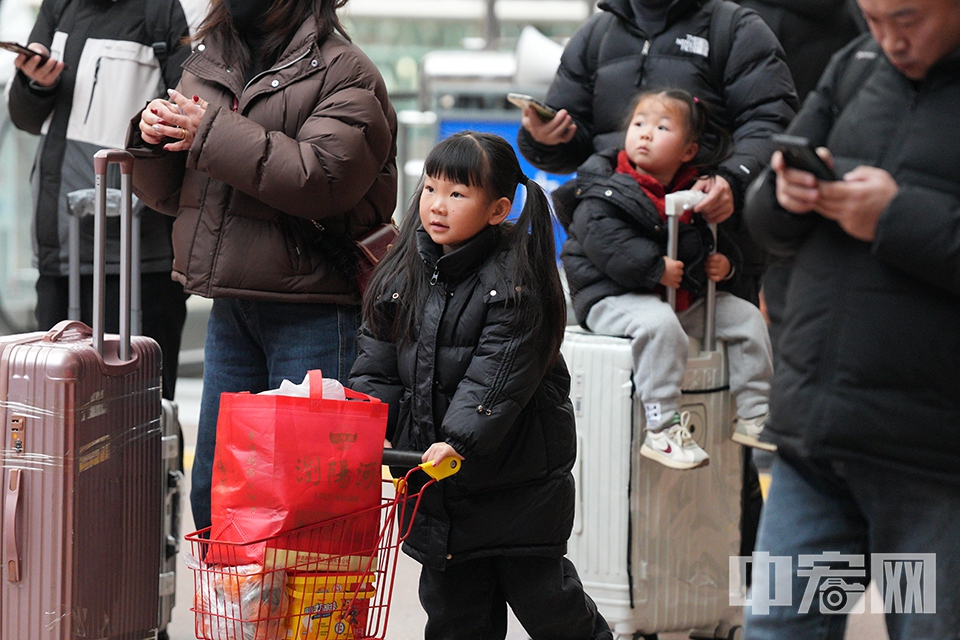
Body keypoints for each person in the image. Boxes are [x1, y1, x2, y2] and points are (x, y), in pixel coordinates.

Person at [127, 0, 397, 533]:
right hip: (233, 308)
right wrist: (152, 141)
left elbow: (320, 178)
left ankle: (308, 621)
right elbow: (180, 197)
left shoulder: (348, 71)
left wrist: (208, 133)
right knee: (216, 494)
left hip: (316, 313)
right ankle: (233, 615)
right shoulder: (209, 61)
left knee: (307, 506)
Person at [742, 0, 960, 636]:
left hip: (931, 463)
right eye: (872, 16)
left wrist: (897, 218)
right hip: (816, 447)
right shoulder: (858, 61)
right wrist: (783, 197)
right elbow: (766, 219)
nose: (890, 37)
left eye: (907, 18)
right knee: (780, 628)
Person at [349, 132, 612, 640]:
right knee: (454, 617)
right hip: (438, 487)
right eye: (429, 189)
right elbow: (376, 364)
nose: (436, 206)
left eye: (457, 193)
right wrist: (371, 423)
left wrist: (459, 439)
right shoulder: (403, 271)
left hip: (516, 486)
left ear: (498, 209)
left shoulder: (517, 279)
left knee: (549, 607)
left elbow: (497, 377)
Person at [517, 0, 797, 306]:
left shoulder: (735, 27)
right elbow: (574, 141)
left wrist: (732, 180)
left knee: (732, 344)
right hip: (613, 251)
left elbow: (771, 123)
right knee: (621, 353)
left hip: (708, 251)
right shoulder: (597, 33)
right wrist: (545, 138)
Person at [563, 89, 774, 470]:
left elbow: (709, 241)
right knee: (661, 328)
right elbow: (604, 242)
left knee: (746, 318)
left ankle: (754, 411)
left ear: (688, 151)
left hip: (675, 296)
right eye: (639, 123)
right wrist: (653, 267)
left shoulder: (695, 190)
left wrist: (724, 265)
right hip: (610, 295)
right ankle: (660, 426)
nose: (645, 133)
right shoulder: (605, 184)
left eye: (661, 127)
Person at [6, 0, 192, 401]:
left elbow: (188, 116)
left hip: (140, 256)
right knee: (58, 406)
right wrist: (36, 81)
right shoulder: (60, 7)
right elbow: (24, 117)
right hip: (62, 244)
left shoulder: (162, 12)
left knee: (137, 407)